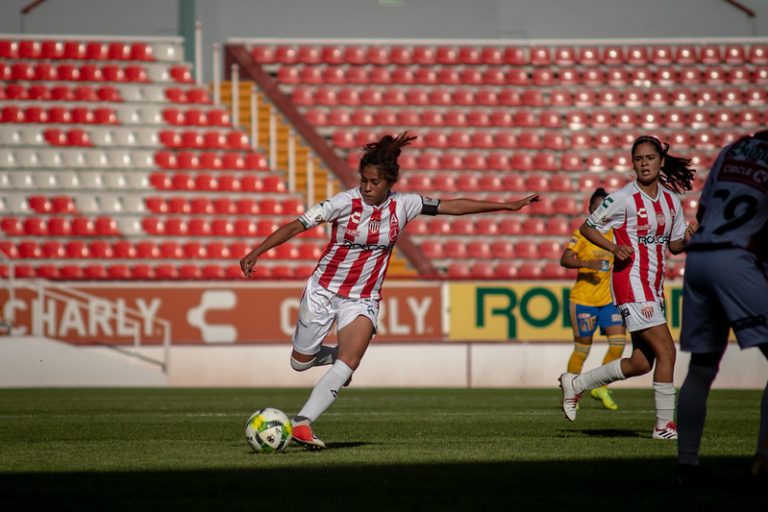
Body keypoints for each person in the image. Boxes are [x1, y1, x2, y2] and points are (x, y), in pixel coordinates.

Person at [240, 132, 541, 449]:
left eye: (374, 182)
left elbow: (454, 206)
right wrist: (257, 251)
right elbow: (296, 225)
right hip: (323, 291)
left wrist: (506, 206)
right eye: (364, 181)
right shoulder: (343, 203)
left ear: (389, 184)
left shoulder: (405, 205)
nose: (367, 188)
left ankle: (303, 422)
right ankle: (335, 363)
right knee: (300, 363)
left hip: (363, 298)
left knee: (350, 361)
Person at [559, 135, 697, 439]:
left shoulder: (672, 201)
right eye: (638, 159)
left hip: (654, 287)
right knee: (667, 351)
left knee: (640, 363)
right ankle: (664, 426)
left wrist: (689, 238)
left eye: (649, 158)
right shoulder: (622, 197)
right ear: (633, 163)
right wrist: (612, 247)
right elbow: (587, 227)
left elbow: (673, 247)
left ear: (661, 161)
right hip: (630, 282)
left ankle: (576, 383)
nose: (644, 163)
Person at [676, 131, 768, 484]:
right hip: (736, 256)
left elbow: (703, 208)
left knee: (701, 368)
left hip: (698, 257)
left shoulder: (731, 151)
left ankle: (687, 466)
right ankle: (763, 459)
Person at [560, 187, 627, 411]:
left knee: (618, 344)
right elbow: (565, 259)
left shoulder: (615, 234)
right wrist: (587, 264)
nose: (599, 211)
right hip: (584, 300)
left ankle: (602, 386)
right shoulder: (582, 234)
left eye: (603, 207)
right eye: (595, 207)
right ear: (589, 210)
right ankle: (572, 391)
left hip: (609, 301)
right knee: (582, 350)